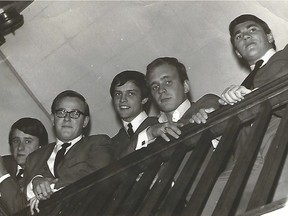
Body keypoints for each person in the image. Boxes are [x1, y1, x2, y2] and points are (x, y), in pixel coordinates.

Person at [204, 14, 288, 215]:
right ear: (238, 52)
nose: (246, 36)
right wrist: (211, 120)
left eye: (252, 29)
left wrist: (254, 95)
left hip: (281, 144)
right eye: (238, 36)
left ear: (269, 36)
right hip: (245, 160)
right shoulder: (237, 90)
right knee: (208, 203)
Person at [24, 90, 114, 213]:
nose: (67, 118)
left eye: (75, 113)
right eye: (61, 112)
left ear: (85, 121)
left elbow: (96, 176)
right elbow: (21, 202)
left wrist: (49, 186)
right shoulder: (33, 158)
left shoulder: (98, 143)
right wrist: (35, 182)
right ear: (53, 119)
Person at [0, 117, 48, 214]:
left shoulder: (47, 173)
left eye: (27, 141)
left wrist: (2, 174)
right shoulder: (5, 162)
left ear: (41, 147)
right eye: (16, 141)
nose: (20, 147)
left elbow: (22, 212)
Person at [110, 70, 159, 159]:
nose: (122, 100)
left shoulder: (159, 124)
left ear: (144, 99)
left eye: (130, 94)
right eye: (118, 94)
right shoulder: (111, 144)